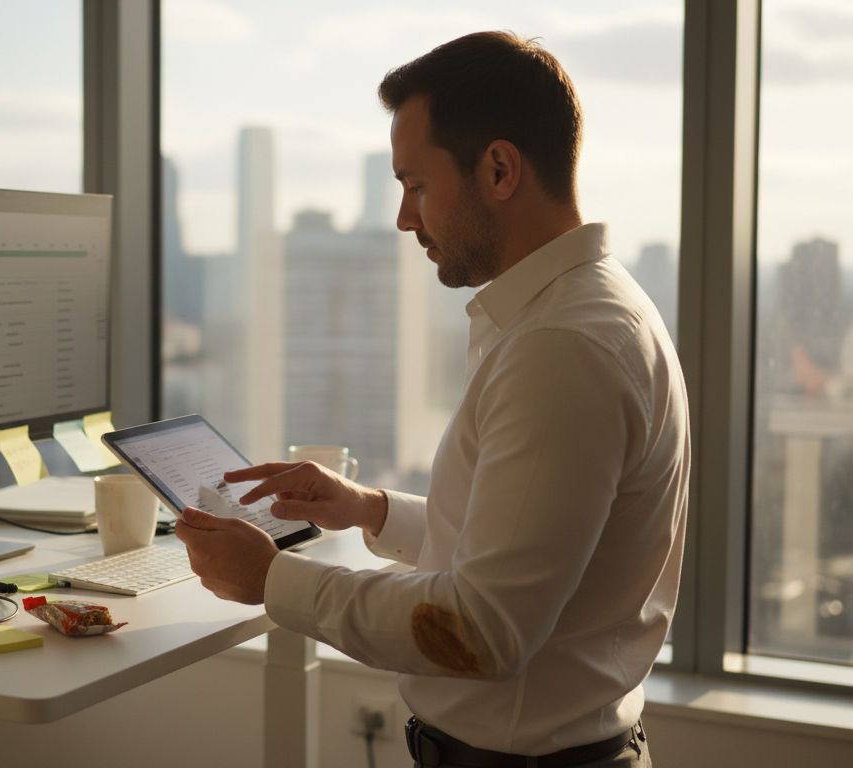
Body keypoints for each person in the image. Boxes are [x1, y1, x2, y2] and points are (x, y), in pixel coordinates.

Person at [174, 30, 689, 768]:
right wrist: (371, 510)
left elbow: (482, 627)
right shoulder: (587, 310)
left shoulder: (561, 346)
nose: (404, 218)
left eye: (415, 184)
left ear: (500, 170)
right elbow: (529, 543)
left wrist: (272, 579)